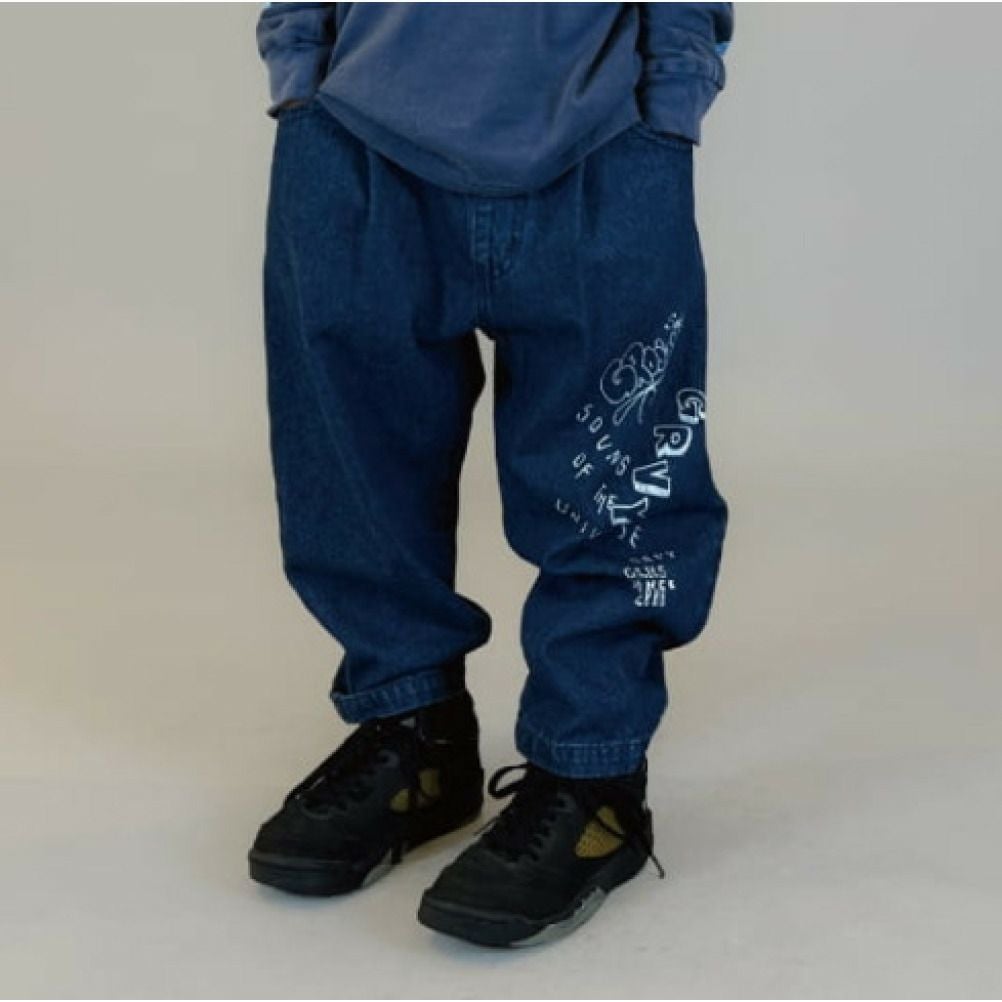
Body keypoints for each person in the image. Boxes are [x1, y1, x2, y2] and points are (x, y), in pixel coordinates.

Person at [248, 1, 733, 948]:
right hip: (355, 130)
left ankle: (593, 775)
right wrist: (299, 74)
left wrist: (671, 98)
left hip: (600, 134)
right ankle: (413, 734)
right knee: (351, 463)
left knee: (613, 481)